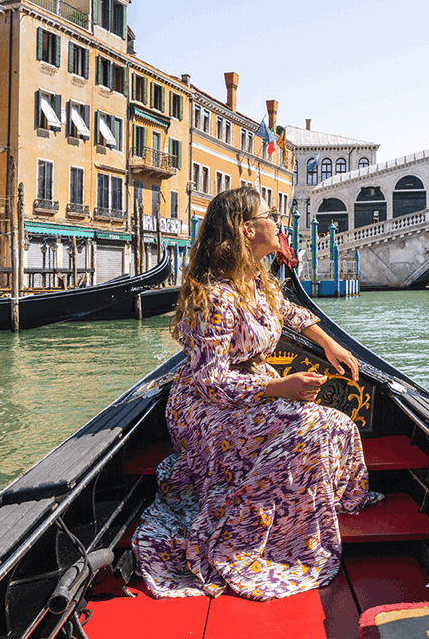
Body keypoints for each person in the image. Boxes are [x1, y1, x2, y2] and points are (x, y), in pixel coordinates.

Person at [133, 186, 379, 601]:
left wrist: (328, 343)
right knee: (305, 428)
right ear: (248, 230)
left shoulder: (257, 281)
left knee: (335, 422)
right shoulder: (213, 297)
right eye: (271, 215)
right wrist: (278, 387)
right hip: (205, 406)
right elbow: (211, 380)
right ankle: (275, 534)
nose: (278, 221)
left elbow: (291, 312)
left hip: (255, 390)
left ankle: (313, 506)